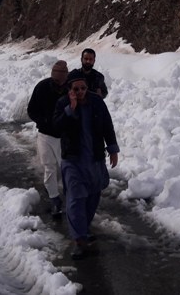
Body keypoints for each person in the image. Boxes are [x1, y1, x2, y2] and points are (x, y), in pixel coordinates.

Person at [53, 69, 119, 259]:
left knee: (93, 196)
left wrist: (113, 149)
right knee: (75, 199)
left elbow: (107, 124)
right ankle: (79, 239)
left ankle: (84, 226)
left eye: (83, 88)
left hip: (95, 158)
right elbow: (57, 128)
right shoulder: (63, 103)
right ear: (70, 89)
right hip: (72, 161)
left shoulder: (97, 102)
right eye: (76, 88)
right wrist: (70, 109)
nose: (81, 91)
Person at [27, 60, 69, 218]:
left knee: (65, 168)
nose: (58, 81)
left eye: (61, 77)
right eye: (55, 76)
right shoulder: (42, 87)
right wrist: (43, 120)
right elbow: (31, 110)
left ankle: (71, 199)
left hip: (64, 136)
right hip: (45, 134)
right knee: (49, 167)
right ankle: (55, 199)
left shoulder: (70, 89)